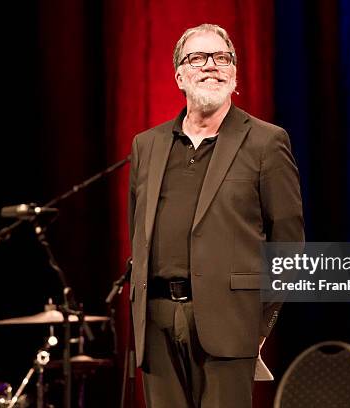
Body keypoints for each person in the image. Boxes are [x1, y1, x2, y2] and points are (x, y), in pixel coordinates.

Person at [128, 23, 304, 408]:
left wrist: (260, 324)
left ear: (234, 72)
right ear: (179, 75)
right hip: (156, 323)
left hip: (231, 322)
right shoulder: (147, 145)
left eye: (221, 58)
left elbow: (289, 244)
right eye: (198, 58)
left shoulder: (266, 141)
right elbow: (137, 236)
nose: (211, 66)